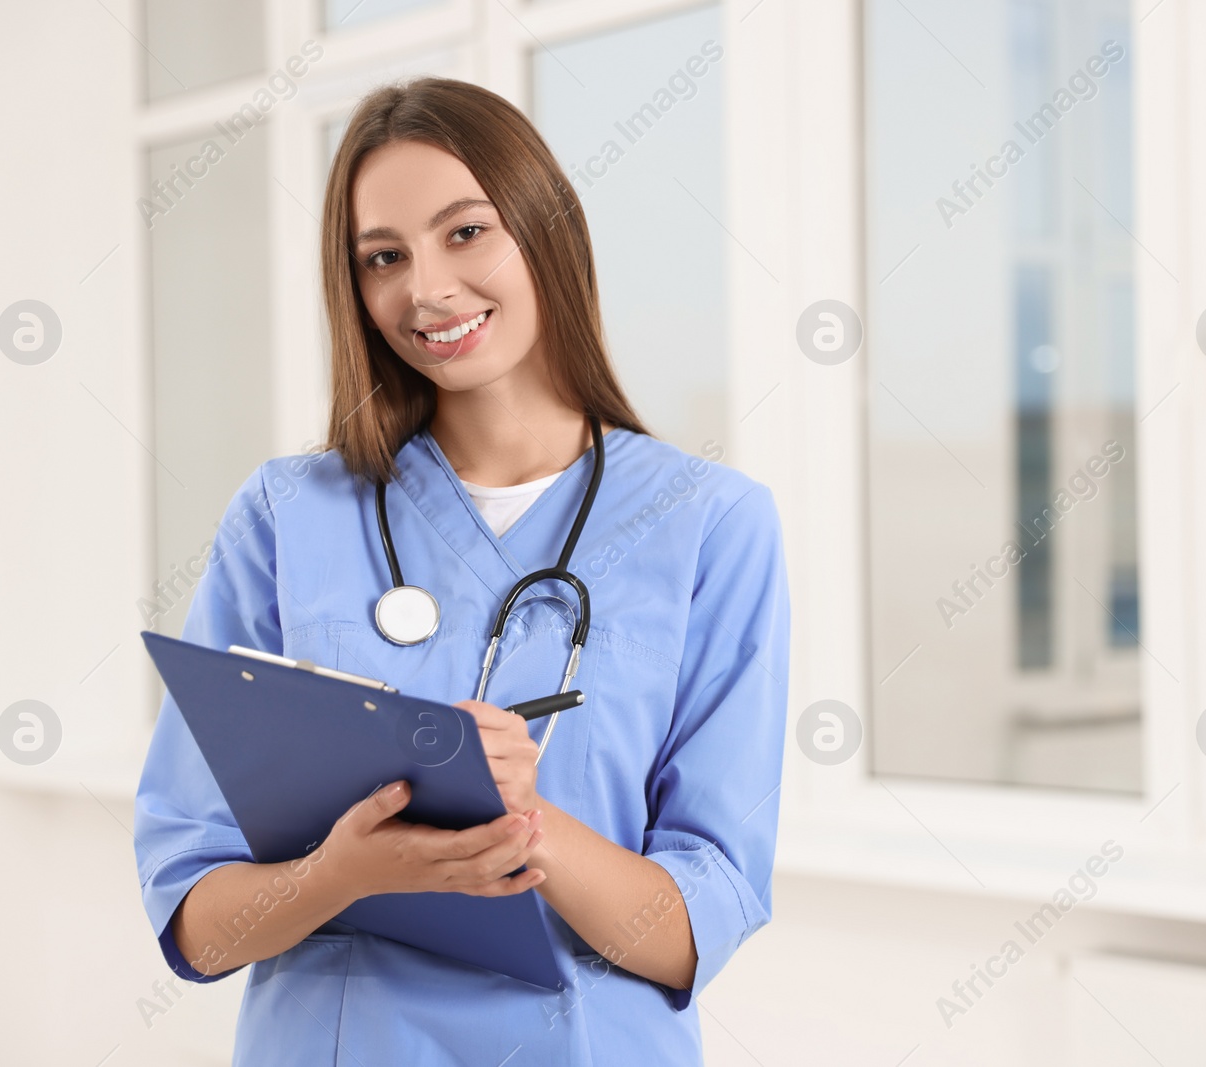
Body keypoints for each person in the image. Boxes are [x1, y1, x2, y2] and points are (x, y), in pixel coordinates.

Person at [132, 75, 791, 1065]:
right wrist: (337, 874)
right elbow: (196, 916)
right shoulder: (285, 517)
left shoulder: (709, 525)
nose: (426, 288)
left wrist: (521, 822)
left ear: (543, 229)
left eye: (466, 232)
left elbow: (694, 925)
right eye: (382, 257)